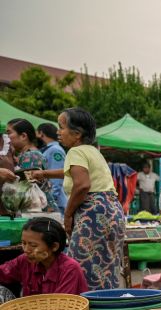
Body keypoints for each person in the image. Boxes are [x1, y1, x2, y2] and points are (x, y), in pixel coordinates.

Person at [32, 109, 125, 290]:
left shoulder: (75, 152)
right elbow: (71, 172)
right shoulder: (92, 151)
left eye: (62, 127)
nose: (58, 132)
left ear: (77, 134)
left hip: (93, 214)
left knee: (83, 268)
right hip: (112, 211)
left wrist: (68, 215)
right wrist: (44, 173)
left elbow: (82, 185)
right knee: (106, 268)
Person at [0, 218, 87, 298]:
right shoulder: (25, 260)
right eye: (23, 243)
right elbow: (2, 273)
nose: (26, 250)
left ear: (54, 246)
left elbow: (61, 307)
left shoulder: (70, 269)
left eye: (33, 245)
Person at [0, 119, 59, 215]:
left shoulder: (31, 156)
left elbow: (26, 188)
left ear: (23, 136)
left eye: (9, 133)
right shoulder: (24, 155)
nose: (5, 137)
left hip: (37, 211)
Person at [37, 123, 67, 213]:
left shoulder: (55, 150)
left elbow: (56, 179)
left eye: (36, 133)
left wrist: (51, 201)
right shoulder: (48, 149)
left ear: (41, 133)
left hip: (55, 204)